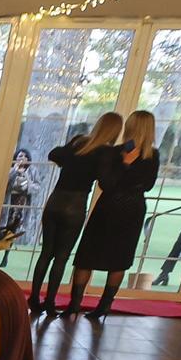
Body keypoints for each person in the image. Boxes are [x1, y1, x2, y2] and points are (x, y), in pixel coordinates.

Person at [69, 109, 160, 317]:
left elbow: (147, 185)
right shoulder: (113, 152)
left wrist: (127, 167)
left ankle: (104, 305)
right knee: (87, 256)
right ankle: (75, 303)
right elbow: (106, 183)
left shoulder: (152, 156)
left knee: (120, 257)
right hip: (109, 207)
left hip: (130, 209)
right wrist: (124, 165)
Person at [29, 112, 122, 313]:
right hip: (76, 204)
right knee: (61, 257)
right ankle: (50, 302)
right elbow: (106, 183)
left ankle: (34, 297)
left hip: (56, 200)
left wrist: (69, 162)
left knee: (46, 253)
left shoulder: (79, 141)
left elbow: (54, 154)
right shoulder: (105, 152)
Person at [2, 148, 37, 247]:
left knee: (14, 230)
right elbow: (5, 183)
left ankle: (6, 254)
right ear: (15, 158)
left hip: (22, 204)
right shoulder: (10, 169)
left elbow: (37, 187)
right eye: (20, 156)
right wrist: (14, 170)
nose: (23, 158)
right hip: (8, 202)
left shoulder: (33, 171)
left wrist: (27, 180)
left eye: (26, 156)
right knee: (3, 228)